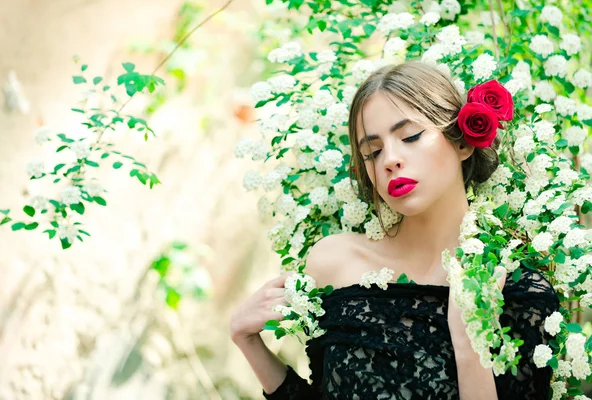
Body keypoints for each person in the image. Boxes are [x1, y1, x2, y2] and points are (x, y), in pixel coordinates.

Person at [229, 61, 559, 399]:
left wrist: (468, 339)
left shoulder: (516, 288)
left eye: (411, 136)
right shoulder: (334, 262)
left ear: (462, 143)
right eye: (372, 152)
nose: (390, 159)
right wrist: (249, 342)